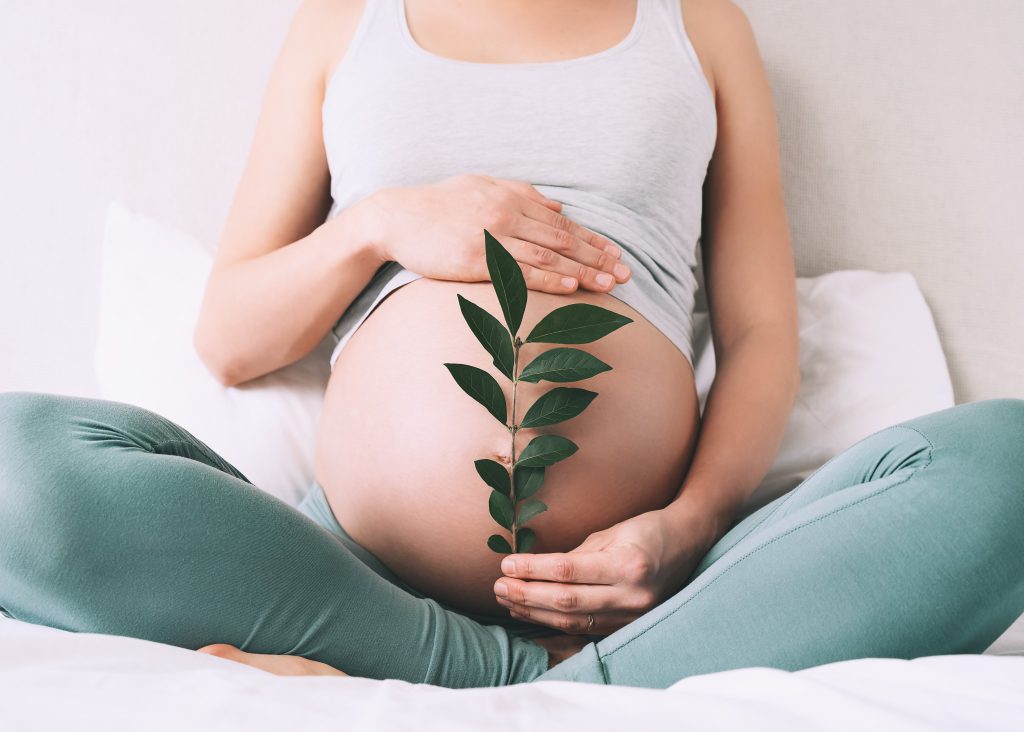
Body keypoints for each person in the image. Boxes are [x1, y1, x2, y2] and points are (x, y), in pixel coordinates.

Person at [1, 0, 1022, 689]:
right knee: (16, 469)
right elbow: (228, 341)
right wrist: (380, 225)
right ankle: (522, 681)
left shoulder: (697, 23)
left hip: (656, 590)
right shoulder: (345, 21)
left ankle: (564, 672)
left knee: (1008, 467)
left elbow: (757, 337)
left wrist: (683, 529)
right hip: (349, 573)